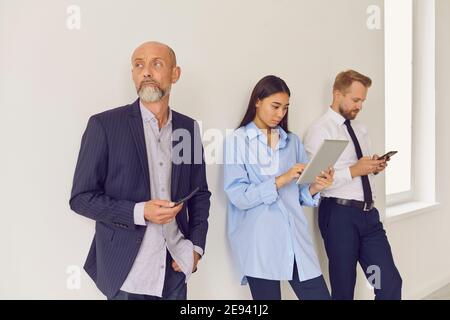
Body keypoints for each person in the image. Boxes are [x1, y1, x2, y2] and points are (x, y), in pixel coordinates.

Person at [69, 41, 211, 300]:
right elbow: (81, 198)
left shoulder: (187, 129)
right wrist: (139, 211)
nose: (146, 71)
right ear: (133, 74)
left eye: (156, 64)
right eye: (138, 65)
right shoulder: (105, 126)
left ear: (175, 74)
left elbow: (199, 192)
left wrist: (197, 248)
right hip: (127, 274)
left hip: (175, 267)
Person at [223, 75, 334, 300]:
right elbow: (238, 196)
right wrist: (281, 179)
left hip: (294, 238)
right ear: (257, 101)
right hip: (260, 241)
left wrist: (315, 186)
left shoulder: (291, 141)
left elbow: (300, 194)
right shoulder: (237, 141)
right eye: (275, 106)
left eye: (285, 108)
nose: (280, 114)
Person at [303, 70, 402, 300]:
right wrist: (355, 170)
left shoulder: (360, 129)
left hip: (369, 218)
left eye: (363, 101)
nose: (360, 106)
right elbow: (315, 181)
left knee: (388, 283)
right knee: (344, 289)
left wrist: (372, 168)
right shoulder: (321, 130)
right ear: (337, 94)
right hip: (339, 216)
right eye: (355, 100)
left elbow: (359, 171)